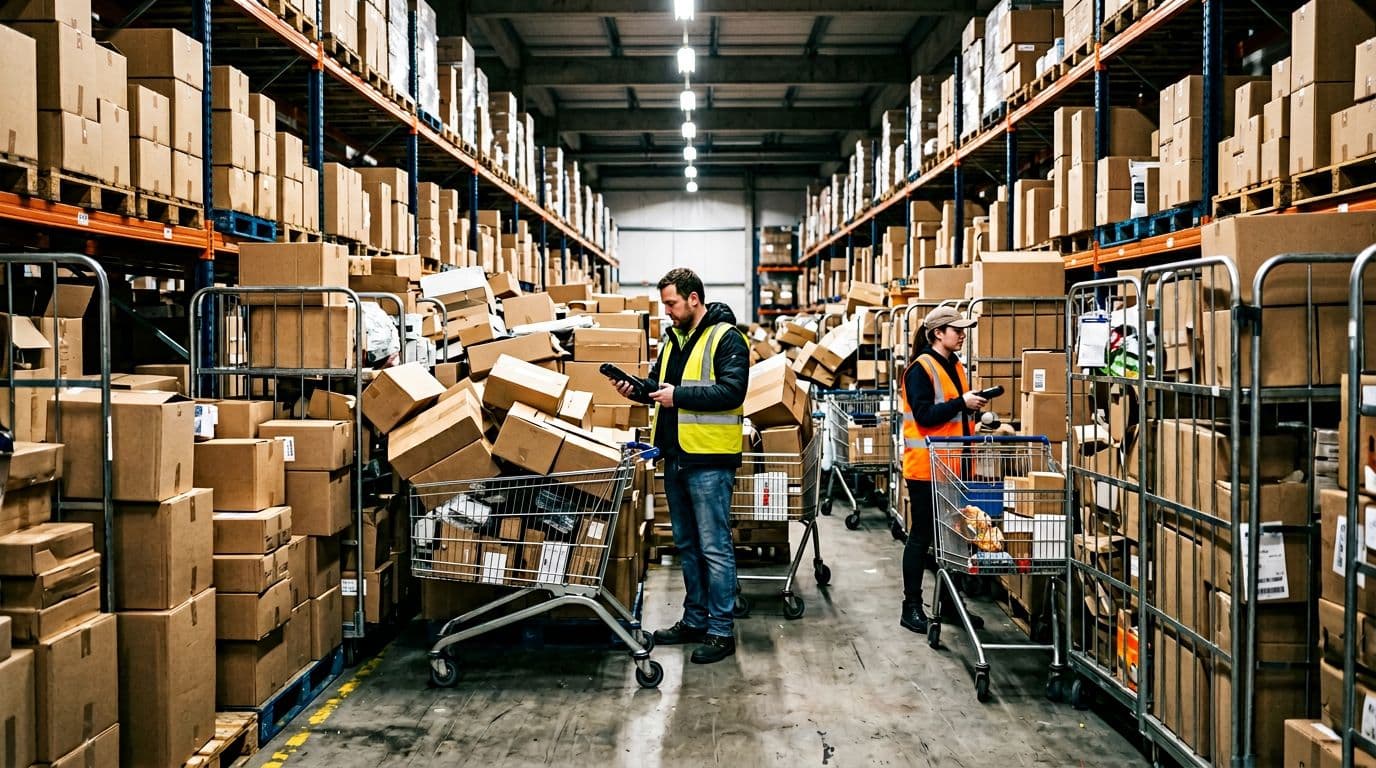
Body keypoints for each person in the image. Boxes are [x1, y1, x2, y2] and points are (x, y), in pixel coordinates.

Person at [613, 268, 749, 664]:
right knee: (688, 546)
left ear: (693, 299)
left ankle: (721, 631)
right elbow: (660, 388)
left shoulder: (727, 338)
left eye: (671, 303)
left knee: (714, 547)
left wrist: (679, 396)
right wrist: (635, 389)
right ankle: (694, 620)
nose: (667, 311)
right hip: (674, 457)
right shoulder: (672, 339)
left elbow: (732, 391)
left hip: (709, 460)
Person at [899, 306, 986, 634]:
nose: (962, 334)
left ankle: (949, 604)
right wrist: (962, 403)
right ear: (938, 333)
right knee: (921, 536)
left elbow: (953, 413)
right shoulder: (921, 368)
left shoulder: (955, 365)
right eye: (956, 329)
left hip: (955, 466)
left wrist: (972, 409)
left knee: (953, 536)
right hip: (926, 468)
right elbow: (924, 416)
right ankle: (911, 607)